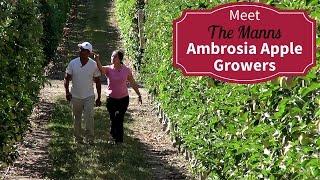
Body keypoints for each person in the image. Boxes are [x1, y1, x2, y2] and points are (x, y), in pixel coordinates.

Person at [93, 50, 142, 144]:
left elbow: (132, 82)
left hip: (123, 99)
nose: (112, 58)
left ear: (120, 59)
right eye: (112, 56)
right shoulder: (109, 69)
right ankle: (113, 135)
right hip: (111, 99)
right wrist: (97, 60)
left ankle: (119, 140)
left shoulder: (126, 70)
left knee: (119, 118)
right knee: (113, 118)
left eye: (115, 56)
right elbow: (101, 69)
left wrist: (138, 94)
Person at [64, 42, 102, 144]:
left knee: (89, 117)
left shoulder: (93, 65)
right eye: (80, 49)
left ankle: (90, 138)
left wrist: (98, 97)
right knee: (76, 118)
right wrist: (67, 92)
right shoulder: (73, 63)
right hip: (75, 95)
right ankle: (77, 138)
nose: (80, 52)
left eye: (83, 50)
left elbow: (98, 81)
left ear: (88, 53)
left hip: (89, 96)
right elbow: (67, 78)